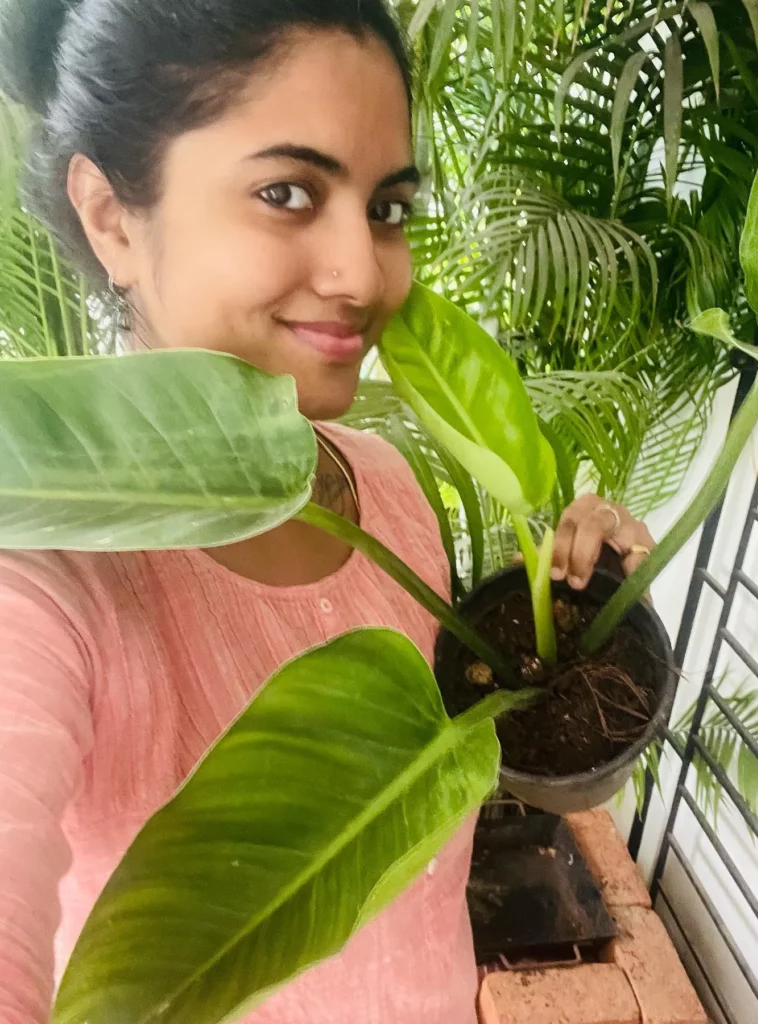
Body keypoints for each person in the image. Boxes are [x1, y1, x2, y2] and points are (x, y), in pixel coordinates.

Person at [0, 1, 656, 1021]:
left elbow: (471, 770)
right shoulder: (50, 572)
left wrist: (590, 623)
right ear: (112, 217)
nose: (365, 274)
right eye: (286, 191)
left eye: (386, 208)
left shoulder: (385, 483)